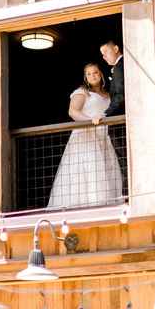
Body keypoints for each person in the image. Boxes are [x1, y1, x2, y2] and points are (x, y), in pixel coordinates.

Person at [47, 63, 124, 209]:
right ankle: (89, 204)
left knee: (106, 168)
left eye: (95, 72)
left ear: (101, 74)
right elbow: (73, 111)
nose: (93, 76)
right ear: (85, 77)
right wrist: (90, 122)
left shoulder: (107, 94)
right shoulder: (82, 91)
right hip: (87, 132)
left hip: (104, 135)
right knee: (88, 167)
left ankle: (107, 203)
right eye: (89, 74)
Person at [95, 40, 127, 193]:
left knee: (125, 161)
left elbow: (121, 96)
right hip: (119, 124)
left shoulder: (120, 68)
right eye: (102, 55)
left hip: (120, 125)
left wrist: (106, 114)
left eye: (106, 52)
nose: (104, 57)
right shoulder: (119, 68)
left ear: (116, 48)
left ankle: (128, 196)